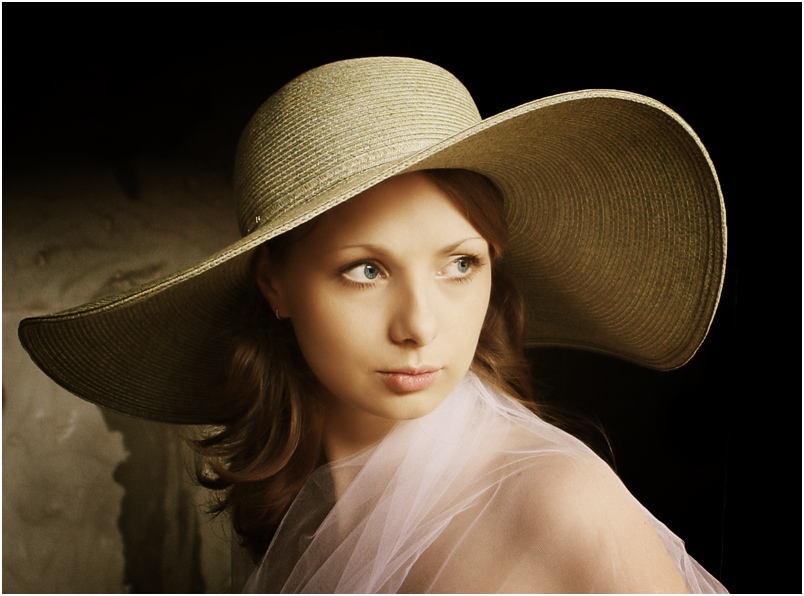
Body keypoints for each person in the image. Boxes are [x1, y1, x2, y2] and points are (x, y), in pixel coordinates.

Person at [19, 56, 728, 593]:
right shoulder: (306, 508)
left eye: (459, 264)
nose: (420, 326)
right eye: (366, 270)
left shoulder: (557, 503)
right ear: (275, 284)